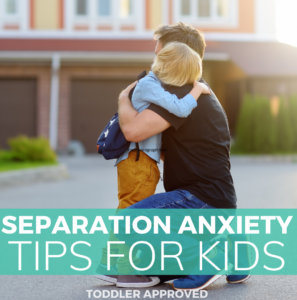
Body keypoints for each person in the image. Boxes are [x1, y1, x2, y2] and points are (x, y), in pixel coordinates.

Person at [107, 22, 250, 290]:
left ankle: (208, 258)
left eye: (158, 45)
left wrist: (123, 99)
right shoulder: (197, 89)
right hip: (217, 201)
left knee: (127, 222)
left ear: (174, 50)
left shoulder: (179, 92)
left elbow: (133, 130)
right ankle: (232, 249)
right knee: (152, 257)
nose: (155, 51)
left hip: (200, 200)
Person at [96, 42, 211, 284]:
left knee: (128, 209)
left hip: (139, 158)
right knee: (134, 215)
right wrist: (198, 90)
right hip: (139, 158)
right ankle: (127, 272)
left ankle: (109, 263)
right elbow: (179, 108)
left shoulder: (149, 84)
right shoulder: (150, 84)